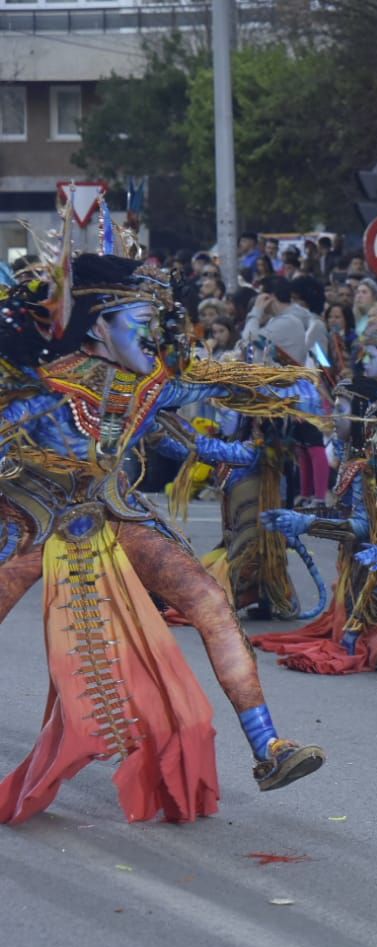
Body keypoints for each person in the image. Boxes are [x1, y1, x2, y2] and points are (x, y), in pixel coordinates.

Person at [0, 253, 325, 824]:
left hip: (115, 515)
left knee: (210, 602)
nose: (151, 336)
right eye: (139, 323)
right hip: (35, 522)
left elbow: (188, 430)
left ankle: (269, 747)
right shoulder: (44, 388)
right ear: (99, 324)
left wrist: (262, 430)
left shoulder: (146, 385)